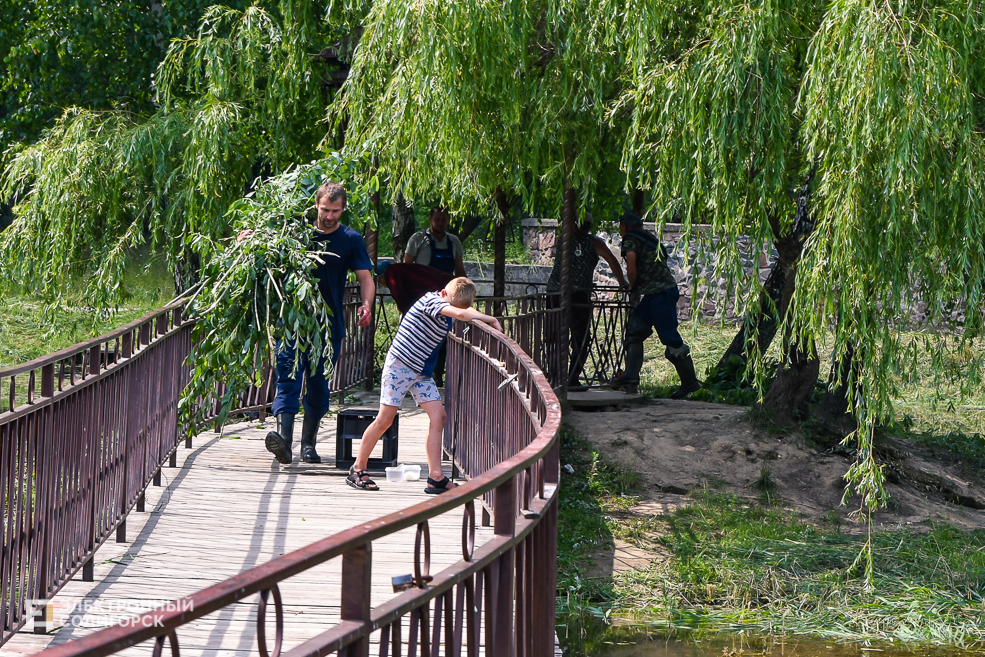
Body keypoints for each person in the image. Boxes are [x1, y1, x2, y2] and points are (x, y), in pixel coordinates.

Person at [250, 181, 375, 465]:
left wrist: (366, 306)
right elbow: (264, 250)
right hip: (292, 324)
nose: (329, 216)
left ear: (343, 209)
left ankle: (309, 444)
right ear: (316, 205)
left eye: (335, 211)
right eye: (325, 209)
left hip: (329, 326)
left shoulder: (350, 239)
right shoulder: (295, 234)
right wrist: (249, 239)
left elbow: (366, 278)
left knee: (319, 385)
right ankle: (284, 441)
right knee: (287, 380)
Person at [346, 277, 502, 493]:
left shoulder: (450, 303)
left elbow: (465, 311)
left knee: (440, 417)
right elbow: (461, 314)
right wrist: (491, 319)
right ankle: (357, 468)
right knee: (385, 420)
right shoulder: (432, 301)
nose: (454, 311)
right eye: (453, 307)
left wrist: (476, 315)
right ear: (444, 294)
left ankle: (436, 477)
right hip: (400, 365)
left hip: (421, 371)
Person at [610, 212, 700, 398]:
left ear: (625, 226)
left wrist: (631, 287)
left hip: (661, 294)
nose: (619, 229)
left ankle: (690, 383)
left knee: (670, 339)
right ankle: (631, 374)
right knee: (635, 330)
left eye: (620, 226)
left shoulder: (631, 240)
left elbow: (632, 268)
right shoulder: (648, 238)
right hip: (657, 293)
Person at [546, 214, 628, 389]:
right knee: (581, 338)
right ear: (589, 226)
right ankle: (572, 378)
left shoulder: (563, 240)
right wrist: (623, 283)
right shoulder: (595, 243)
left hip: (554, 292)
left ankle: (554, 378)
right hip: (577, 295)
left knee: (554, 337)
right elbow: (612, 261)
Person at [403, 206, 467, 385]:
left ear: (448, 221)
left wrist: (467, 292)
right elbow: (406, 269)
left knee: (443, 337)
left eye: (443, 219)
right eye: (437, 219)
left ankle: (437, 376)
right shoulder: (417, 239)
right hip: (422, 298)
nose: (440, 222)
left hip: (446, 298)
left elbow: (459, 271)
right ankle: (413, 374)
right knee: (419, 336)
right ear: (430, 219)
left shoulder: (454, 241)